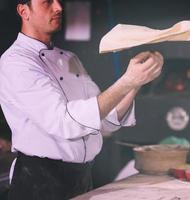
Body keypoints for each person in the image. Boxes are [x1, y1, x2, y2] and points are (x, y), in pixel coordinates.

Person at [0, 0, 164, 199]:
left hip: (82, 180)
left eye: (59, 0)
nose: (59, 7)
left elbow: (106, 121)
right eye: (47, 2)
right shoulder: (16, 62)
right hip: (39, 183)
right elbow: (64, 122)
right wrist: (126, 81)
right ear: (24, 11)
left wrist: (136, 82)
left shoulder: (70, 58)